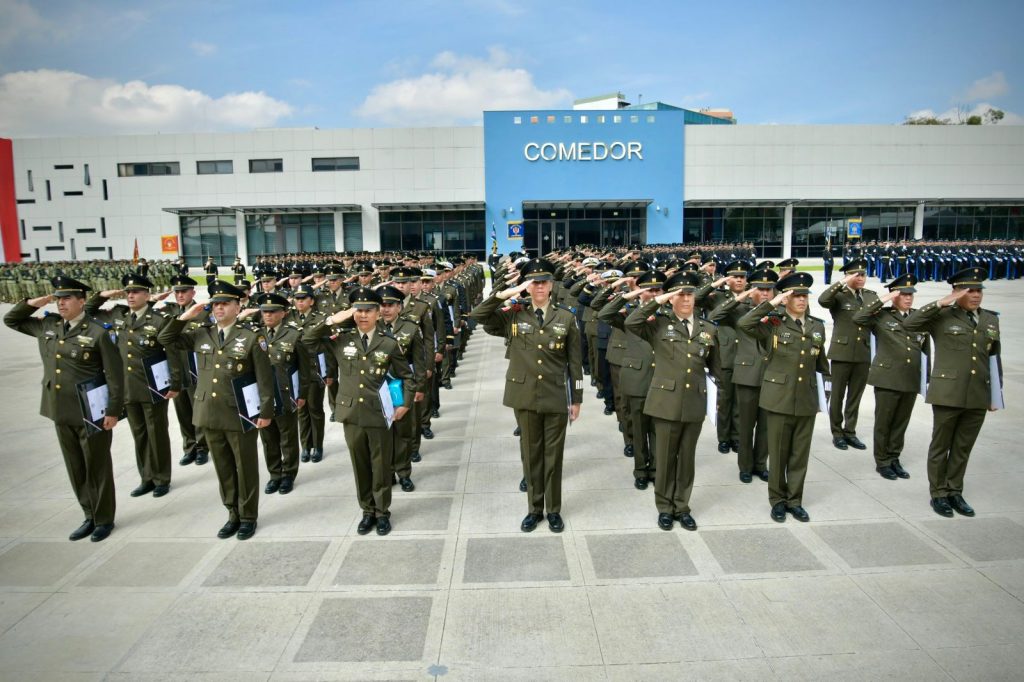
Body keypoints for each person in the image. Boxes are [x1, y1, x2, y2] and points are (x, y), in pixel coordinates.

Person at [4, 276, 124, 542]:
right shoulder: (49, 325)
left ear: (82, 301)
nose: (61, 303)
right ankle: (88, 515)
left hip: (91, 412)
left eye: (67, 298)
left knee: (97, 467)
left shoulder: (99, 332)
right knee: (75, 467)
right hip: (60, 409)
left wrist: (113, 411)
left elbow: (115, 376)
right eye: (58, 298)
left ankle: (104, 519)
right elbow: (11, 320)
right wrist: (37, 302)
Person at [471, 259, 584, 533]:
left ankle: (553, 510)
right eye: (534, 282)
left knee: (553, 456)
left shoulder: (566, 317)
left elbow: (575, 363)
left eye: (544, 281)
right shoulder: (514, 313)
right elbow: (478, 316)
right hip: (524, 394)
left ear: (552, 285)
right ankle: (534, 509)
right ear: (526, 286)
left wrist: (577, 398)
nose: (540, 287)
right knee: (531, 454)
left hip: (555, 394)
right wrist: (504, 294)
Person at [158, 281, 276, 541]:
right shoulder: (202, 333)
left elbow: (265, 379)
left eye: (225, 304)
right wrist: (186, 316)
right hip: (209, 412)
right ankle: (232, 513)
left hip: (239, 413)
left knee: (245, 467)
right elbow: (165, 338)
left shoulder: (251, 337)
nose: (219, 308)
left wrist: (265, 412)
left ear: (238, 306)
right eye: (215, 304)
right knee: (223, 467)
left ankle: (248, 516)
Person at [302, 287, 415, 536]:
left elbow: (407, 376)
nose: (363, 315)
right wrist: (332, 320)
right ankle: (367, 510)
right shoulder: (341, 339)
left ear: (378, 313)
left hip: (379, 412)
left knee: (380, 465)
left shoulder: (388, 342)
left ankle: (382, 512)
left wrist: (405, 404)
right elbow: (307, 340)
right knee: (360, 465)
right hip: (351, 413)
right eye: (358, 310)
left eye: (368, 310)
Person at [903, 267, 1001, 518]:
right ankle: (938, 493)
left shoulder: (990, 319)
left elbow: (994, 357)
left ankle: (955, 491)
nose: (976, 295)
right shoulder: (942, 315)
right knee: (941, 445)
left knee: (963, 446)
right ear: (957, 292)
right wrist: (940, 303)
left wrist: (996, 394)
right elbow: (909, 324)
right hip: (948, 392)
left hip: (978, 393)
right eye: (970, 291)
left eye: (979, 290)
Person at [625, 271, 718, 531]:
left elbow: (715, 369)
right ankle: (665, 507)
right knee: (665, 459)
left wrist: (718, 399)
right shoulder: (658, 324)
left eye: (690, 294)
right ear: (671, 298)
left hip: (694, 402)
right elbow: (632, 321)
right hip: (665, 402)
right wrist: (659, 300)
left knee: (687, 459)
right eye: (680, 294)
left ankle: (682, 506)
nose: (686, 299)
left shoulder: (708, 329)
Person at [739, 272, 830, 523]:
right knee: (778, 454)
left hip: (806, 399)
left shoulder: (817, 326)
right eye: (796, 295)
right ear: (786, 298)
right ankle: (778, 500)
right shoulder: (772, 323)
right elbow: (745, 324)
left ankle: (795, 500)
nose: (801, 300)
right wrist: (773, 303)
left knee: (799, 454)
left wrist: (825, 396)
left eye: (804, 296)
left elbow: (822, 365)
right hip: (778, 398)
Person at [87, 274, 182, 498]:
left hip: (152, 387)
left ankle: (162, 478)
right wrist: (102, 295)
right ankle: (146, 477)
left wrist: (175, 382)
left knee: (156, 434)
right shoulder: (118, 315)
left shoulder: (159, 320)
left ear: (147, 295)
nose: (130, 296)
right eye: (128, 292)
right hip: (127, 387)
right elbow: (88, 311)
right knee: (139, 434)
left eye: (136, 292)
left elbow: (173, 353)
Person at [852, 273, 927, 480]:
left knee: (901, 422)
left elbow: (925, 350)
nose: (908, 298)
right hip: (887, 378)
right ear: (895, 296)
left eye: (910, 294)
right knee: (884, 422)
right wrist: (884, 299)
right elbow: (858, 318)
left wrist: (925, 378)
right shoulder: (881, 316)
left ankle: (894, 457)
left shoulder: (918, 317)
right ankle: (882, 461)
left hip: (910, 377)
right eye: (903, 294)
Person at [708, 266, 778, 483]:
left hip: (773, 375)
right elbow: (714, 316)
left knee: (766, 426)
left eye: (768, 289)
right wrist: (740, 298)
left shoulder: (780, 311)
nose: (764, 293)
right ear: (751, 290)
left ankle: (760, 464)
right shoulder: (742, 307)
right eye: (760, 289)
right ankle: (745, 466)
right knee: (745, 425)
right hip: (747, 372)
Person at [598, 269, 664, 489]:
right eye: (648, 290)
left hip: (662, 378)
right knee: (638, 427)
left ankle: (656, 469)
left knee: (658, 428)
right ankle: (641, 469)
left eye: (657, 290)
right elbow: (605, 314)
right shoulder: (628, 313)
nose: (653, 293)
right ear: (640, 291)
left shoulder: (669, 314)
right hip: (637, 377)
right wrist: (628, 295)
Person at [248, 293, 310, 495]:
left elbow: (305, 368)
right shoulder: (254, 335)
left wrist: (302, 394)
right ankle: (274, 474)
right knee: (268, 437)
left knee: (287, 436)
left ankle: (288, 474)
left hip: (286, 394)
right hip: (262, 396)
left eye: (273, 311)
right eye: (264, 311)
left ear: (283, 313)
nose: (267, 315)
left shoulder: (294, 334)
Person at [818, 258, 877, 451]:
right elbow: (823, 300)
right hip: (841, 353)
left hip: (863, 353)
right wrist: (842, 282)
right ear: (847, 276)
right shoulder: (839, 295)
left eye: (863, 275)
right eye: (855, 275)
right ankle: (837, 432)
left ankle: (850, 431)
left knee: (855, 396)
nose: (860, 278)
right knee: (837, 395)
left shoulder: (871, 296)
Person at [377, 284, 427, 492]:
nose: (386, 309)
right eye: (382, 305)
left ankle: (404, 472)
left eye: (391, 305)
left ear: (399, 307)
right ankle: (387, 472)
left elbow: (419, 361)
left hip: (402, 387)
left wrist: (419, 388)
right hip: (378, 389)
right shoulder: (371, 328)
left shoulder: (410, 327)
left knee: (403, 433)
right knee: (383, 433)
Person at [161, 275, 210, 466]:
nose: (180, 295)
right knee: (182, 412)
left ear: (193, 293)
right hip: (176, 370)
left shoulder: (203, 312)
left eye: (184, 292)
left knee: (199, 411)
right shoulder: (169, 312)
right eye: (177, 292)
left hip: (196, 369)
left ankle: (202, 447)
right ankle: (189, 447)